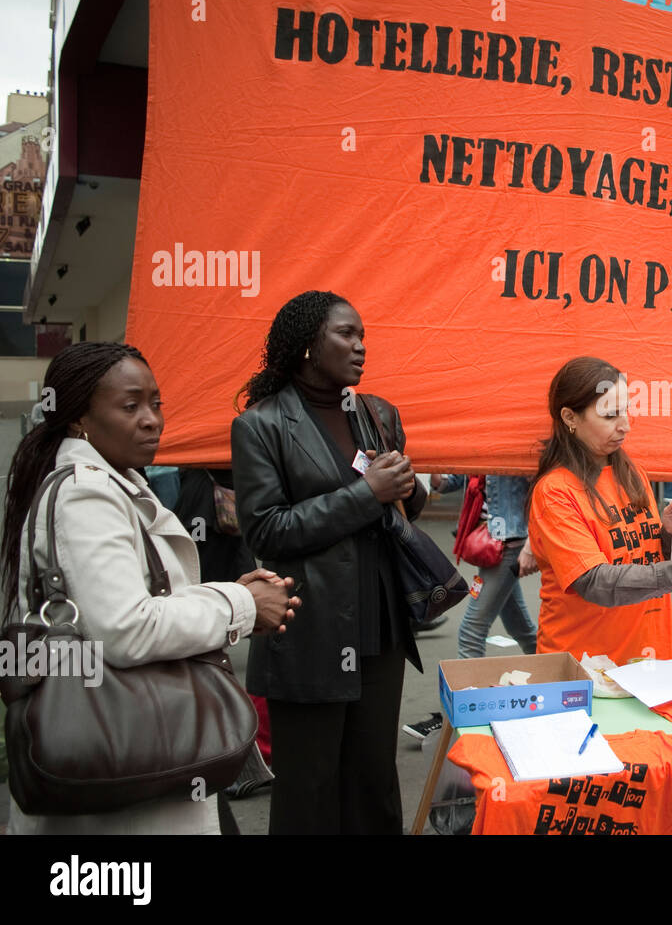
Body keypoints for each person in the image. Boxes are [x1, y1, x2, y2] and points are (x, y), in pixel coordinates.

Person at [1, 342, 297, 834]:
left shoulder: (112, 483)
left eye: (156, 403)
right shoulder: (86, 493)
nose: (151, 420)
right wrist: (241, 605)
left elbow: (136, 604)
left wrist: (225, 595)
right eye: (130, 405)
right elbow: (127, 627)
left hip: (139, 756)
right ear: (79, 419)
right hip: (126, 763)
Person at [231, 291, 425, 835]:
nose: (360, 345)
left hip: (380, 626)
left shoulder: (378, 413)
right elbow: (267, 528)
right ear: (308, 346)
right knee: (309, 787)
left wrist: (408, 490)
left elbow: (403, 510)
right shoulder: (260, 425)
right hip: (308, 626)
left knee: (374, 779)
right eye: (346, 334)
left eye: (362, 334)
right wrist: (367, 493)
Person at [527, 356, 672, 664]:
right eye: (610, 415)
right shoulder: (554, 492)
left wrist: (669, 534)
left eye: (626, 411)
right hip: (584, 666)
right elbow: (594, 582)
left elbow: (644, 556)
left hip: (650, 655)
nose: (625, 426)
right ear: (570, 417)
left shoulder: (633, 473)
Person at [403, 473, 539, 743]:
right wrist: (438, 477)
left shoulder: (514, 441)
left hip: (507, 542)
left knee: (471, 631)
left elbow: (541, 488)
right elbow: (459, 477)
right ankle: (563, 682)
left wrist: (532, 543)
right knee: (520, 628)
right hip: (488, 539)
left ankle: (468, 718)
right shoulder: (481, 441)